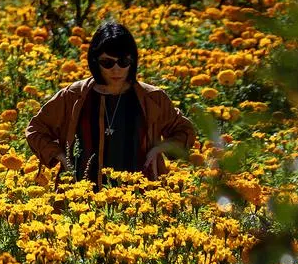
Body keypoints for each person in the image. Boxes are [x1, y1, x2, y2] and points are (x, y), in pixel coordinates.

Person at [25, 21, 196, 188]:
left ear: (133, 61)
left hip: (140, 200)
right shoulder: (73, 96)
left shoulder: (152, 98)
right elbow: (36, 129)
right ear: (94, 61)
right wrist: (61, 157)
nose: (116, 70)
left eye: (123, 62)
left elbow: (184, 131)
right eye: (108, 63)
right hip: (80, 198)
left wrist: (159, 148)